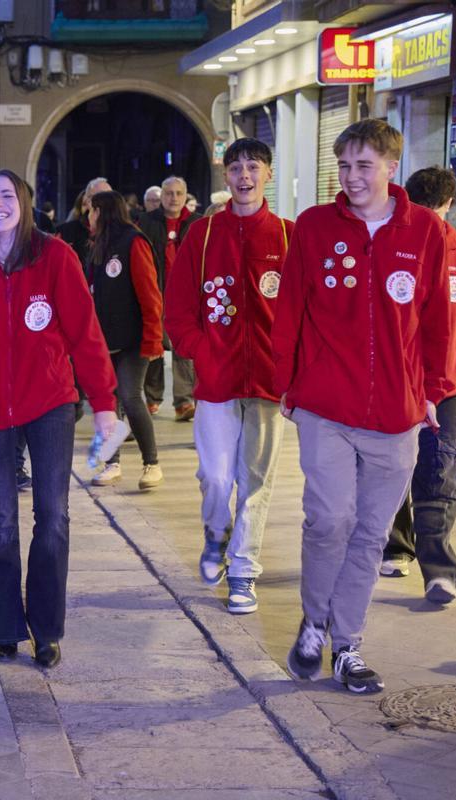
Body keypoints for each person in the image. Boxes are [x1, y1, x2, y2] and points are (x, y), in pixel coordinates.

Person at [273, 119, 450, 694]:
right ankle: (314, 620)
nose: (351, 176)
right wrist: (288, 385)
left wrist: (431, 392)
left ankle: (347, 645)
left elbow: (437, 321)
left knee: (372, 534)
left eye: (363, 165)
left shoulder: (425, 230)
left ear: (391, 167)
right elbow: (291, 309)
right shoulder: (314, 227)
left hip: (396, 417)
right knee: (329, 519)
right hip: (325, 406)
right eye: (344, 166)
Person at [0, 169, 117, 669]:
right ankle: (5, 625)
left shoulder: (54, 256)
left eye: (7, 196)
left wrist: (106, 401)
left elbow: (84, 331)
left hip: (49, 403)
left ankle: (46, 627)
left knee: (53, 517)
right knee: (0, 520)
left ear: (25, 204)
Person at [164, 138, 294, 615]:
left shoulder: (287, 234)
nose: (244, 175)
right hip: (216, 382)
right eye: (236, 167)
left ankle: (243, 571)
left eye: (253, 167)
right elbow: (176, 310)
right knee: (217, 479)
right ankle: (215, 535)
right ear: (226, 176)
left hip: (267, 384)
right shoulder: (201, 235)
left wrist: (291, 368)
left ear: (268, 174)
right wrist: (201, 350)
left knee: (256, 482)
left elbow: (303, 312)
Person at [379, 166, 456, 603]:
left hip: (447, 384)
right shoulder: (390, 247)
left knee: (437, 468)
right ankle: (395, 546)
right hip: (395, 380)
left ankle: (439, 569)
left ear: (448, 206)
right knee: (391, 463)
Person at [85, 190, 164, 491]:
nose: (87, 217)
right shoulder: (96, 246)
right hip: (104, 341)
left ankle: (152, 464)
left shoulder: (134, 242)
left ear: (103, 212)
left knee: (131, 397)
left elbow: (150, 295)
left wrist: (153, 340)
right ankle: (110, 463)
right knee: (108, 402)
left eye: (91, 210)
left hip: (133, 340)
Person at [138, 175, 200, 419]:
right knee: (154, 346)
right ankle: (153, 398)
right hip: (155, 293)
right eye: (168, 193)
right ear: (161, 196)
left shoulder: (198, 223)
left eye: (178, 193)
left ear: (185, 196)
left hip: (186, 296)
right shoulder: (145, 222)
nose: (173, 198)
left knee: (184, 349)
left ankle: (184, 402)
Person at [56, 177, 111, 267]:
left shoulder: (121, 232)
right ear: (88, 201)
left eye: (111, 198)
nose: (109, 203)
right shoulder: (66, 231)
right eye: (102, 198)